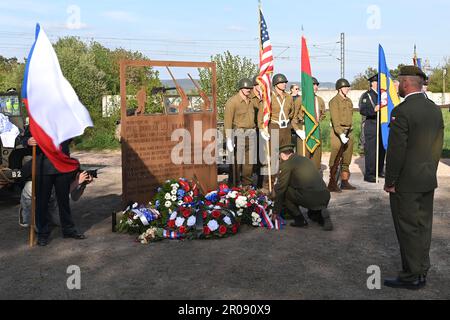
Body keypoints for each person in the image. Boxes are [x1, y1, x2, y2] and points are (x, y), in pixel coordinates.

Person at [383, 66, 444, 290]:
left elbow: (397, 151)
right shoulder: (434, 109)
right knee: (423, 227)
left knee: (407, 229)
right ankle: (421, 271)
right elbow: (438, 146)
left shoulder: (402, 111)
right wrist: (429, 171)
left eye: (399, 82)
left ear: (406, 83)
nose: (397, 86)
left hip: (405, 185)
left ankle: (411, 276)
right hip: (427, 180)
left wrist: (390, 182)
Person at [23, 132, 86, 246]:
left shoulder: (64, 120)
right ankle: (43, 233)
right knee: (42, 202)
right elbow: (21, 138)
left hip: (62, 165)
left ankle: (68, 229)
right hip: (42, 167)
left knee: (63, 200)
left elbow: (70, 137)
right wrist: (28, 141)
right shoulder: (36, 119)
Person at [271, 144, 333, 231]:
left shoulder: (287, 164)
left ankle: (299, 220)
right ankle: (320, 215)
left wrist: (275, 211)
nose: (280, 160)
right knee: (312, 211)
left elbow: (281, 188)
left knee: (286, 191)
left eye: (279, 157)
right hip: (325, 195)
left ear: (283, 155)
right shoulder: (305, 159)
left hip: (309, 197)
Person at [19, 163, 94, 228]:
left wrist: (83, 184)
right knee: (38, 227)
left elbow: (75, 197)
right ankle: (26, 210)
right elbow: (61, 193)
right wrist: (77, 182)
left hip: (50, 199)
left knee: (62, 222)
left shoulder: (73, 176)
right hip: (34, 196)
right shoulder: (58, 174)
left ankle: (46, 214)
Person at [258, 74, 295, 180]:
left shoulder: (289, 97)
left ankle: (284, 183)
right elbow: (261, 115)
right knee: (272, 159)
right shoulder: (269, 97)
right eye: (282, 82)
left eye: (285, 82)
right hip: (274, 127)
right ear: (276, 84)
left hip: (286, 128)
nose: (284, 84)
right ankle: (268, 185)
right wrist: (262, 129)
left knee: (287, 157)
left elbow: (291, 112)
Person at [224, 78, 256, 186]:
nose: (248, 90)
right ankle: (233, 187)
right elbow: (227, 121)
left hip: (251, 134)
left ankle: (247, 187)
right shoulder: (232, 102)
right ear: (240, 88)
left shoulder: (250, 101)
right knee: (236, 164)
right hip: (239, 134)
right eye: (246, 88)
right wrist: (228, 138)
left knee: (249, 163)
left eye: (250, 88)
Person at [292, 77, 326, 171]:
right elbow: (293, 117)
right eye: (313, 85)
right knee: (303, 158)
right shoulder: (300, 100)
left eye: (316, 85)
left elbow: (323, 114)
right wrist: (297, 130)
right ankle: (302, 182)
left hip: (315, 130)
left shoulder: (319, 100)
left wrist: (316, 122)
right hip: (303, 129)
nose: (315, 87)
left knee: (316, 156)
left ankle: (314, 180)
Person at [328, 78, 356, 191]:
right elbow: (335, 119)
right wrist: (340, 134)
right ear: (339, 89)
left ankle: (344, 181)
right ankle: (333, 182)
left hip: (349, 131)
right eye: (345, 87)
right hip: (338, 132)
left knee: (347, 157)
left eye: (348, 87)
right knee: (335, 158)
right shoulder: (334, 101)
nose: (347, 89)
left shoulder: (349, 101)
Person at [359, 74, 385, 183]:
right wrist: (374, 110)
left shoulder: (383, 95)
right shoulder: (367, 95)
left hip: (381, 125)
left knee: (381, 150)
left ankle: (379, 170)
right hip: (371, 125)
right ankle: (369, 174)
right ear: (373, 83)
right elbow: (363, 110)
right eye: (377, 82)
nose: (379, 84)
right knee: (371, 151)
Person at [250, 76, 264, 188]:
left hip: (263, 132)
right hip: (252, 132)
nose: (261, 87)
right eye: (259, 85)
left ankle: (260, 184)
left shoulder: (265, 97)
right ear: (254, 86)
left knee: (261, 159)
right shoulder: (249, 98)